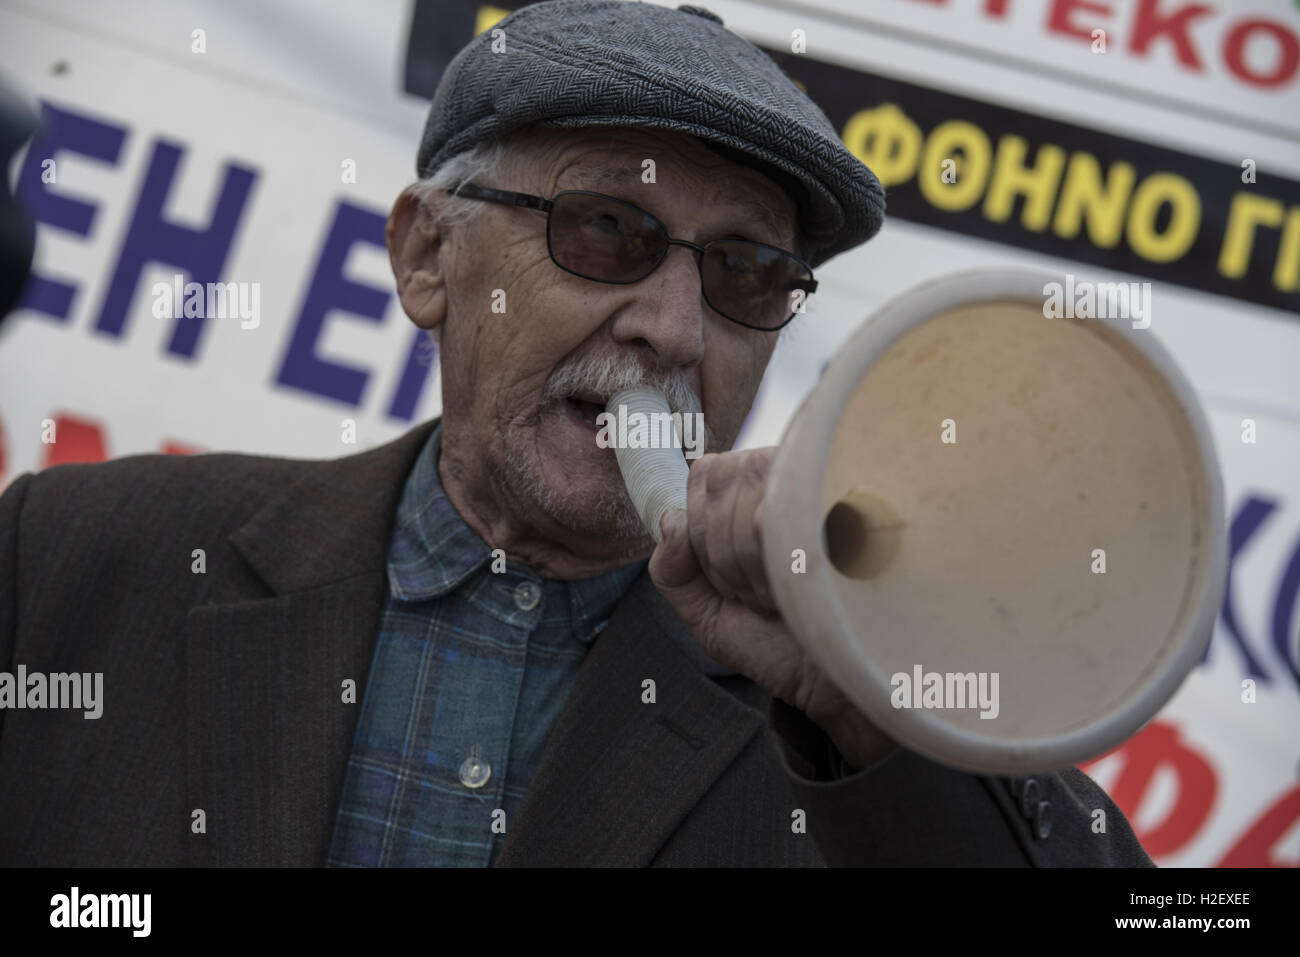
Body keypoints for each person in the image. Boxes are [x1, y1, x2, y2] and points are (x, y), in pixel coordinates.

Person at [0, 0, 1151, 867]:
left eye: (748, 272)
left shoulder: (851, 701)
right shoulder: (73, 556)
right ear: (424, 257)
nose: (673, 325)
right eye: (606, 230)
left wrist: (869, 717)